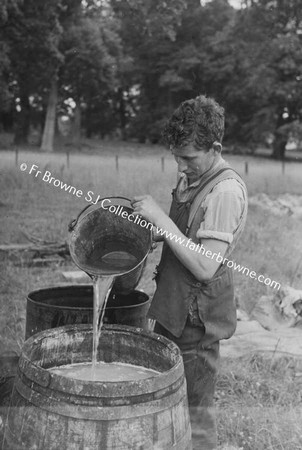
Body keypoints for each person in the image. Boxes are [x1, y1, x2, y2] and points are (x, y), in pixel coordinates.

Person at [132, 95, 248, 450]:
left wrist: (161, 220)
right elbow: (186, 235)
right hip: (172, 307)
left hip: (197, 322)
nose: (181, 167)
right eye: (177, 157)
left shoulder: (225, 192)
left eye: (189, 158)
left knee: (196, 419)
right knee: (169, 409)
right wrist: (150, 232)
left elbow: (204, 264)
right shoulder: (193, 178)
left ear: (215, 148)